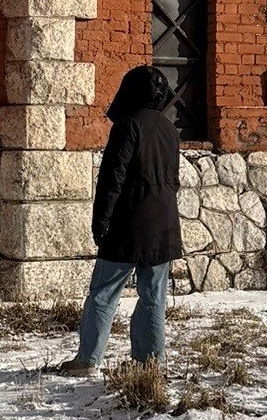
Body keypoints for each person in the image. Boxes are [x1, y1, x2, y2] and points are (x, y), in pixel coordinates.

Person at [53, 65, 183, 377]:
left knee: (103, 292)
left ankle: (87, 359)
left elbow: (113, 177)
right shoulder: (168, 129)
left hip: (127, 223)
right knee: (153, 297)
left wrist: (102, 220)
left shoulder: (127, 125)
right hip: (163, 223)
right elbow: (174, 179)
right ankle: (149, 361)